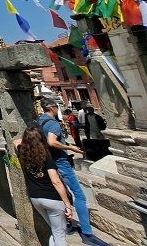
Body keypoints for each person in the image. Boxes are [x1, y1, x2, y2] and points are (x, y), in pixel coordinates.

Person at [38, 98, 109, 246]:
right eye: (56, 107)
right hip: (60, 161)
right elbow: (52, 142)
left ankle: (68, 223)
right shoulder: (52, 123)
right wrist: (72, 148)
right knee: (79, 195)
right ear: (52, 108)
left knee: (61, 192)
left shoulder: (39, 122)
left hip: (47, 160)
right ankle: (87, 231)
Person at [14, 128, 74, 246]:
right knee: (60, 235)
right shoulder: (46, 156)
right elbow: (56, 181)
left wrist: (28, 139)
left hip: (36, 198)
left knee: (55, 231)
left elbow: (16, 141)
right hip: (53, 198)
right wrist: (68, 205)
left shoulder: (23, 153)